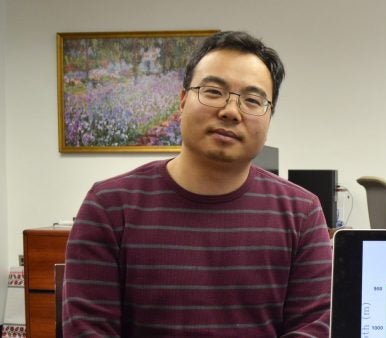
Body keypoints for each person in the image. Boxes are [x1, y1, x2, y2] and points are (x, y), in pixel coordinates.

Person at [62, 31, 332, 337]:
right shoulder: (109, 206)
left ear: (269, 119)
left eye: (253, 100)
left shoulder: (302, 214)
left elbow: (312, 328)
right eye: (214, 91)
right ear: (182, 101)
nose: (230, 111)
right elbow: (89, 331)